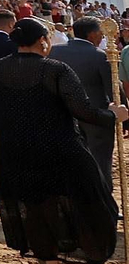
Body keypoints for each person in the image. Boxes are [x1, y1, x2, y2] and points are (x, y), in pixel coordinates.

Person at [0, 18, 129, 264]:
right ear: (43, 41)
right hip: (61, 150)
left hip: (15, 153)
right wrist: (114, 115)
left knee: (37, 211)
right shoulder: (54, 69)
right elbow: (83, 110)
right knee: (98, 207)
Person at [48, 16, 119, 189]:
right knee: (100, 159)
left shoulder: (54, 51)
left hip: (63, 113)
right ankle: (103, 197)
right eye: (101, 33)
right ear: (92, 34)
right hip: (96, 116)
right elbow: (113, 88)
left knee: (69, 157)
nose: (102, 37)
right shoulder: (99, 55)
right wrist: (121, 113)